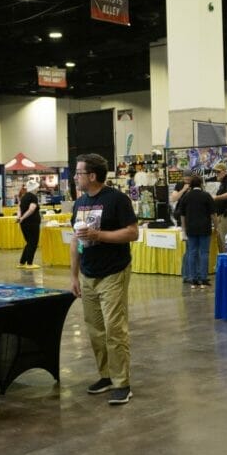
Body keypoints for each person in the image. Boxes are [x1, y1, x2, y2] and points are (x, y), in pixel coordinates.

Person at [70, 153, 139, 406]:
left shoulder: (117, 200)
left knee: (114, 330)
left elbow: (133, 233)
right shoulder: (80, 203)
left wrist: (99, 235)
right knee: (95, 330)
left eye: (78, 172)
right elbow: (76, 240)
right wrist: (73, 275)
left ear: (92, 175)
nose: (75, 176)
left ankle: (122, 383)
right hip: (88, 274)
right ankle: (106, 375)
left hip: (113, 272)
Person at [176, 175, 216, 288]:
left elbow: (182, 215)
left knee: (192, 253)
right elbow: (213, 214)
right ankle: (203, 278)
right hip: (205, 228)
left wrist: (184, 229)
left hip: (191, 229)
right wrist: (216, 226)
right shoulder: (206, 196)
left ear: (191, 185)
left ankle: (193, 279)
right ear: (201, 184)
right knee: (204, 253)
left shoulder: (186, 197)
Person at [16, 181, 42, 269]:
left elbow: (19, 208)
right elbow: (31, 209)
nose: (38, 189)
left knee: (29, 242)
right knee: (33, 242)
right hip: (32, 223)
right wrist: (23, 217)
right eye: (37, 187)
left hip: (24, 224)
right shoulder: (33, 197)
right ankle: (29, 263)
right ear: (34, 188)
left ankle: (22, 262)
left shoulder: (23, 197)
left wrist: (19, 217)